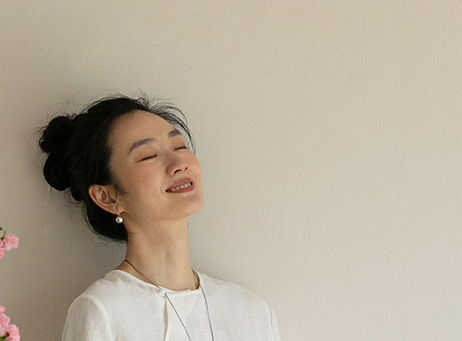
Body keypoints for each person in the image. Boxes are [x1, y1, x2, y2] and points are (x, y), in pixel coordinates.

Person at [40, 95, 281, 341]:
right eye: (148, 156)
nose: (179, 163)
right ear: (107, 197)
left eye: (179, 146)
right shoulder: (103, 311)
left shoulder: (251, 312)